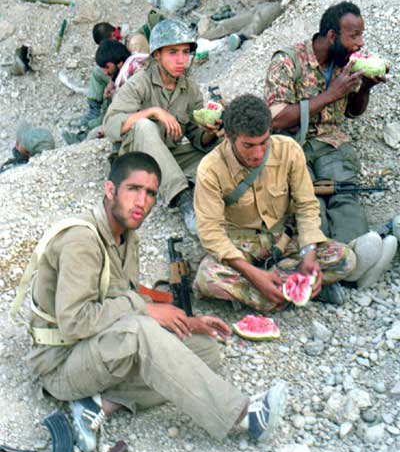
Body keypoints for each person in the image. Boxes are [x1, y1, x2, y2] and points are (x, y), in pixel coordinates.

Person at [24, 152, 288, 452]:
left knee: (205, 350)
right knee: (140, 330)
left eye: (150, 193)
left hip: (95, 348)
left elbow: (120, 294)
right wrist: (145, 309)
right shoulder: (81, 241)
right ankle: (244, 416)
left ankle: (100, 403)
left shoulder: (127, 236)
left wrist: (186, 322)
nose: (142, 201)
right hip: (60, 363)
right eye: (133, 189)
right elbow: (74, 323)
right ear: (110, 190)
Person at [192, 94, 385, 310]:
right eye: (248, 145)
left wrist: (309, 254)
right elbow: (210, 232)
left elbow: (306, 205)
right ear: (228, 137)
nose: (258, 153)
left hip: (283, 239)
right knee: (207, 278)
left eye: (264, 142)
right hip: (240, 245)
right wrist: (253, 274)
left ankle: (268, 293)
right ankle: (288, 290)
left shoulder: (289, 150)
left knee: (345, 258)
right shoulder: (210, 169)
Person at [264, 1, 386, 244]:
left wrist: (365, 89)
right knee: (309, 201)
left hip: (330, 143)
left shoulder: (345, 62)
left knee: (345, 194)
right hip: (292, 145)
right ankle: (324, 255)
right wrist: (330, 94)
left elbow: (352, 112)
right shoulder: (288, 61)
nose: (360, 43)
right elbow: (276, 118)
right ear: (332, 36)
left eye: (361, 35)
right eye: (354, 36)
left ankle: (357, 251)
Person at [103, 19, 222, 235]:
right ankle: (183, 198)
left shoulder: (190, 90)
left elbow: (195, 136)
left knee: (223, 146)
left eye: (185, 52)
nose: (181, 60)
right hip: (136, 159)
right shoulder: (140, 83)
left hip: (169, 155)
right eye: (173, 53)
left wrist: (211, 132)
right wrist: (153, 112)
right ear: (157, 55)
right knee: (144, 126)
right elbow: (111, 124)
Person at [62, 40, 131, 144]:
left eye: (107, 67)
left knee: (94, 132)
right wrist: (112, 82)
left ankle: (83, 136)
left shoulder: (131, 80)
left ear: (120, 63)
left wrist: (114, 96)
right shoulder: (122, 68)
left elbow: (124, 110)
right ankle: (94, 111)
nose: (105, 72)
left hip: (126, 115)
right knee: (97, 72)